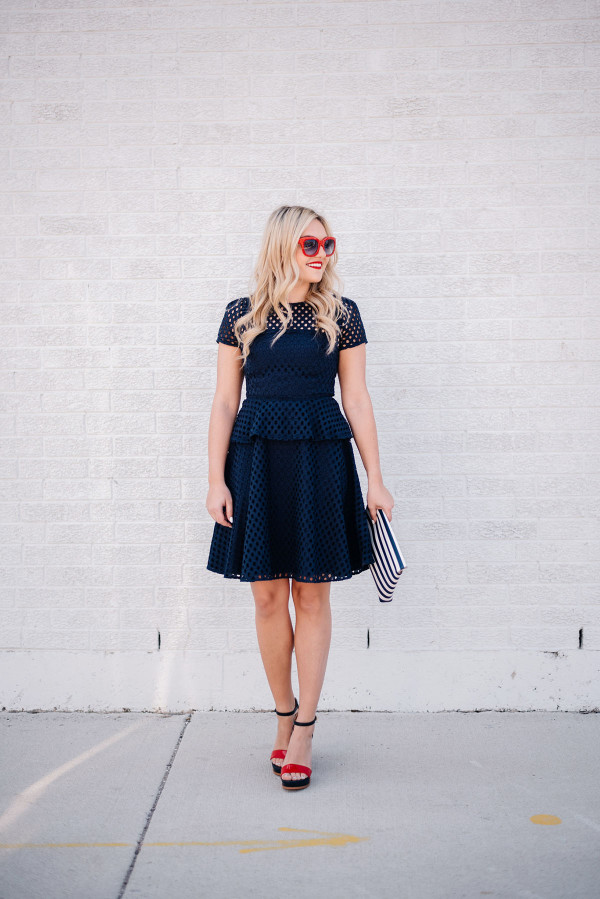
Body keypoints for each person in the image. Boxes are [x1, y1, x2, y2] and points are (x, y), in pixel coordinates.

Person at [206, 204, 394, 790]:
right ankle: (283, 718)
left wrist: (376, 477)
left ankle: (306, 729)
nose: (321, 255)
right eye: (310, 245)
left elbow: (357, 399)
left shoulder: (343, 315)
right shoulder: (242, 315)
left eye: (328, 244)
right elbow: (223, 403)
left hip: (319, 457)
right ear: (283, 246)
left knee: (312, 597)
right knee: (266, 597)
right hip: (257, 460)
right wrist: (215, 479)